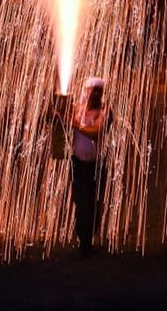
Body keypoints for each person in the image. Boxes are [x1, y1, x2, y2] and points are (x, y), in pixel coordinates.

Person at [70, 76, 110, 255]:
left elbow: (97, 133)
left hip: (95, 165)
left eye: (97, 91)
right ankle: (83, 240)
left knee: (92, 203)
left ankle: (88, 239)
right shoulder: (77, 110)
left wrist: (75, 125)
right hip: (78, 163)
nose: (93, 94)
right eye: (90, 90)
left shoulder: (105, 112)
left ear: (101, 94)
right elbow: (58, 122)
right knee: (80, 201)